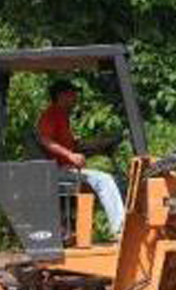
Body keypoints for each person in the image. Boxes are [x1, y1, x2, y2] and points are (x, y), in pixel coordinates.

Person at [37, 80, 125, 238]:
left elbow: (68, 143)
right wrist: (70, 155)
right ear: (61, 96)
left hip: (64, 169)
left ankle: (87, 231)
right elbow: (45, 139)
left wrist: (98, 145)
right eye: (72, 94)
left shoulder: (62, 116)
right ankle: (120, 229)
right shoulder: (52, 114)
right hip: (55, 171)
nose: (75, 98)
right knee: (103, 180)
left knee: (109, 179)